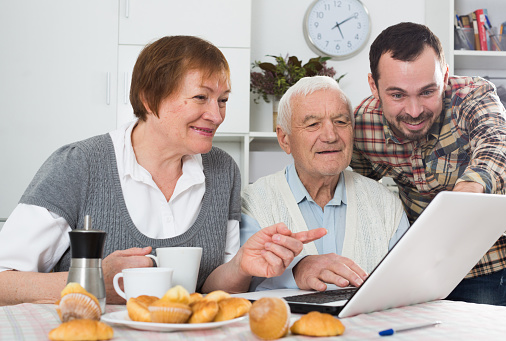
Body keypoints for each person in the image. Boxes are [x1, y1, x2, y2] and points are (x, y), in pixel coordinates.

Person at [0, 35, 326, 306]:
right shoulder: (79, 165)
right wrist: (94, 283)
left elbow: (212, 289)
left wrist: (241, 266)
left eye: (223, 100)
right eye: (201, 97)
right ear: (149, 97)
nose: (216, 115)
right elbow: (3, 283)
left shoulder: (223, 169)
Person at [351, 22, 506, 305]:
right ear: (374, 85)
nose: (414, 111)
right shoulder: (361, 125)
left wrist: (468, 192)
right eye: (397, 95)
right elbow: (358, 192)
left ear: (444, 76)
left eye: (426, 92)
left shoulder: (473, 96)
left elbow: (496, 141)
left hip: (488, 266)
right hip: (417, 270)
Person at [241, 76, 410, 292]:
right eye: (313, 124)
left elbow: (406, 286)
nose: (331, 136)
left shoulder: (386, 204)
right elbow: (240, 288)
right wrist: (296, 271)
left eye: (341, 122)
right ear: (284, 139)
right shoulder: (253, 203)